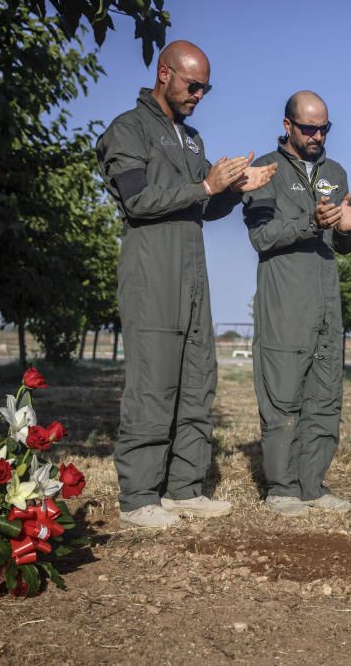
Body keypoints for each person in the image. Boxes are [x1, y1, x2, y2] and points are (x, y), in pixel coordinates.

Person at [96, 41, 276, 528]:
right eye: (193, 85)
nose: (199, 94)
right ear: (164, 73)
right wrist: (206, 187)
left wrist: (236, 190)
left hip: (194, 275)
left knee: (198, 380)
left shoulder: (189, 138)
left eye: (206, 87)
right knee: (154, 384)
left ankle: (183, 488)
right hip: (153, 272)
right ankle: (138, 497)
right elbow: (138, 201)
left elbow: (207, 205)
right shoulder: (127, 130)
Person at [242, 91, 351, 516]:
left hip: (326, 301)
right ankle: (282, 489)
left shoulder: (334, 172)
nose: (318, 135)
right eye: (308, 128)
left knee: (324, 393)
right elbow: (261, 237)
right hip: (285, 300)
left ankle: (312, 484)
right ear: (288, 126)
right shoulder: (264, 171)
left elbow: (342, 242)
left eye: (324, 128)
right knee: (283, 394)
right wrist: (308, 222)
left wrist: (348, 230)